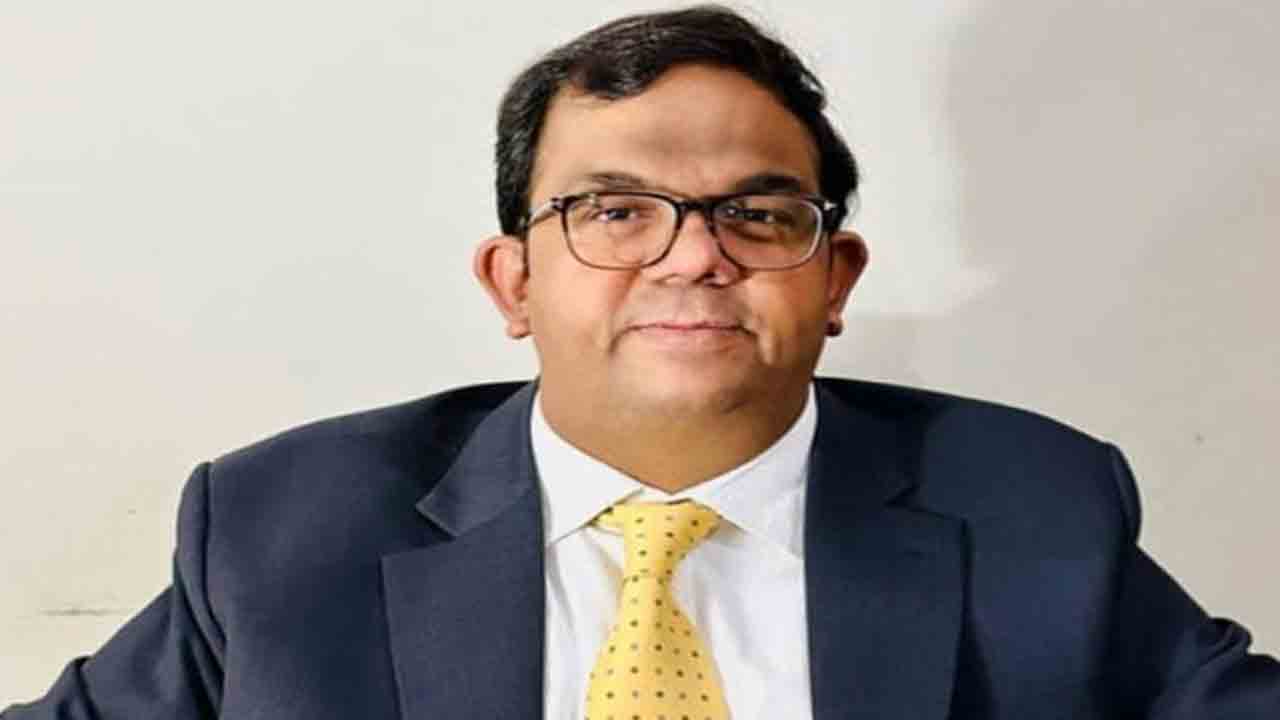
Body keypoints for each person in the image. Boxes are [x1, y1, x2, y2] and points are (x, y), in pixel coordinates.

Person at [4, 5, 1278, 719]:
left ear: (834, 280)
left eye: (757, 214)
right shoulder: (284, 527)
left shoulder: (1029, 504)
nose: (693, 258)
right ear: (513, 283)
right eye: (614, 211)